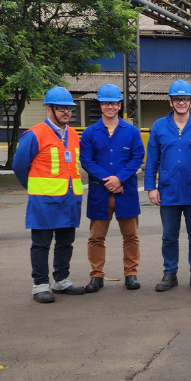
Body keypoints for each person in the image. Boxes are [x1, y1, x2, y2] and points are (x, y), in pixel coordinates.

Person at [12, 87, 86, 302]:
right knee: (41, 244)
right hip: (44, 200)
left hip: (69, 199)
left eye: (69, 108)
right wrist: (34, 187)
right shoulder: (35, 134)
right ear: (49, 108)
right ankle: (40, 285)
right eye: (61, 108)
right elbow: (19, 166)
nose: (67, 112)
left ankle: (61, 280)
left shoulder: (72, 134)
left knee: (66, 242)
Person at [145, 79, 191, 292]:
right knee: (169, 236)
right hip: (168, 191)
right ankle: (170, 273)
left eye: (185, 99)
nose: (181, 102)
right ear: (170, 102)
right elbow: (152, 159)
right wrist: (151, 187)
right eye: (177, 99)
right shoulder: (159, 126)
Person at [80, 84, 145, 292]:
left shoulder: (132, 132)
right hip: (101, 193)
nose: (110, 106)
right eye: (106, 103)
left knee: (131, 236)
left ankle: (131, 274)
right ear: (100, 105)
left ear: (119, 105)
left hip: (125, 192)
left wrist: (119, 179)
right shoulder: (90, 133)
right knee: (96, 237)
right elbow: (87, 161)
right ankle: (97, 275)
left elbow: (137, 158)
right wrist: (108, 180)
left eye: (114, 103)